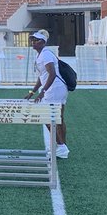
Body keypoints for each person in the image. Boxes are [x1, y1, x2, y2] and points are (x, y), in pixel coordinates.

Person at [25, 29, 69, 158]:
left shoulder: (45, 54)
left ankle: (61, 146)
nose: (33, 42)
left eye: (37, 40)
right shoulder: (40, 55)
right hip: (56, 89)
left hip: (54, 90)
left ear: (43, 42)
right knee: (58, 118)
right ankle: (62, 146)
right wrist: (33, 92)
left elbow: (52, 74)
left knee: (47, 117)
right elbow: (41, 77)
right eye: (32, 40)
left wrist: (42, 92)